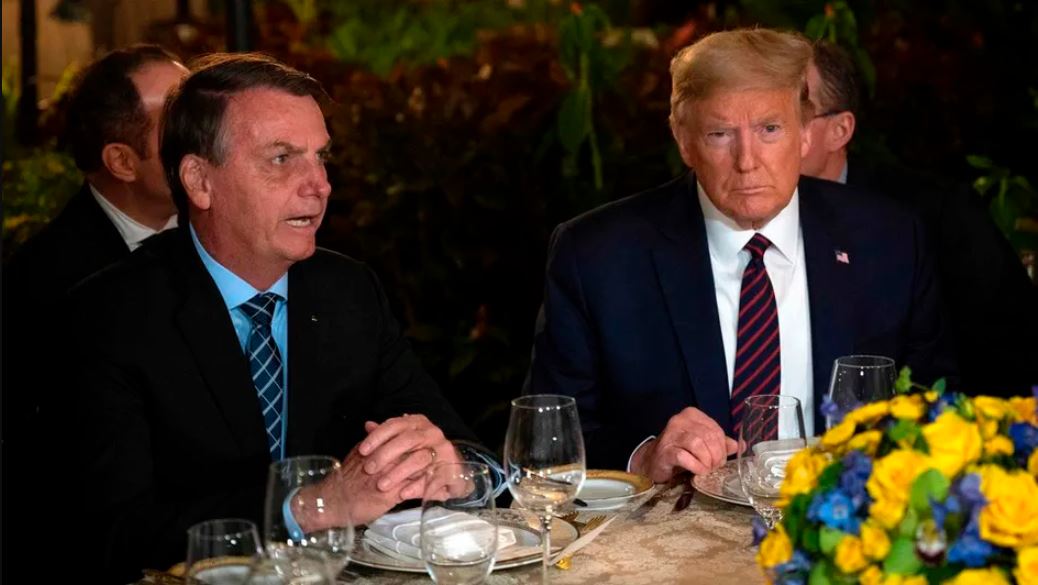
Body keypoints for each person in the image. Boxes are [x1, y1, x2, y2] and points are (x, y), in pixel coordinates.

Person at [60, 53, 482, 582]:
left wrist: (455, 471)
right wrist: (312, 506)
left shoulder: (347, 291)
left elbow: (466, 450)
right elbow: (114, 533)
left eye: (321, 157)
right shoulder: (110, 316)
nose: (319, 185)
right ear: (199, 180)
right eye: (282, 158)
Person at [526, 29, 953, 482]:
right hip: (672, 523)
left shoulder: (888, 240)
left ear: (805, 134)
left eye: (770, 129)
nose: (747, 161)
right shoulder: (598, 255)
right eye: (720, 134)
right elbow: (544, 442)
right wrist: (644, 458)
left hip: (840, 517)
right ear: (684, 141)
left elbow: (938, 408)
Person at [1, 45, 187, 579]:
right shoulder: (47, 284)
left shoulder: (227, 232)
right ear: (122, 162)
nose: (207, 126)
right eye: (179, 117)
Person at [802, 40, 1038, 394]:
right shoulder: (740, 218)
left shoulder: (933, 213)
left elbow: (1012, 350)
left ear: (840, 130)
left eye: (792, 115)